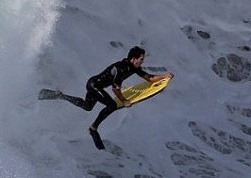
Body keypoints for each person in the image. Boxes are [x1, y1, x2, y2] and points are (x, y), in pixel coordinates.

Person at [39, 46, 173, 150]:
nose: (142, 61)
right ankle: (93, 128)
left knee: (87, 106)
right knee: (112, 105)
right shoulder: (122, 68)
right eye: (141, 59)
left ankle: (59, 95)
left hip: (95, 85)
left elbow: (149, 78)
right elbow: (115, 89)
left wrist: (165, 76)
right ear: (134, 58)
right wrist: (124, 101)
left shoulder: (133, 68)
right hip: (94, 85)